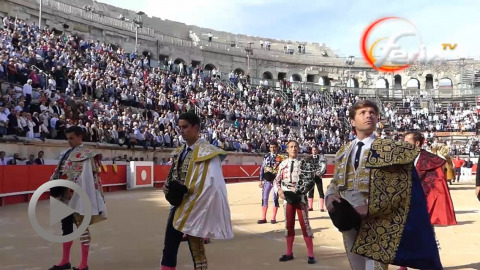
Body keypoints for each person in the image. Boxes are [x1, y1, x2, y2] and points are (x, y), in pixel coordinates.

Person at [325, 100, 442, 270]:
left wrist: (371, 207)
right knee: (356, 265)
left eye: (372, 112)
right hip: (348, 216)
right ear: (352, 121)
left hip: (377, 217)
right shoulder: (343, 151)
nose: (369, 115)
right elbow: (336, 180)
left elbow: (401, 187)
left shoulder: (389, 149)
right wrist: (329, 195)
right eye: (363, 112)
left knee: (376, 267)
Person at [161, 111, 233, 270]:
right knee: (169, 248)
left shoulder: (208, 152)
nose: (181, 130)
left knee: (197, 252)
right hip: (179, 206)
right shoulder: (179, 151)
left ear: (196, 128)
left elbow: (215, 185)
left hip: (197, 208)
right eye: (180, 127)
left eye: (185, 127)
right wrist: (168, 186)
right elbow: (173, 174)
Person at [49, 126, 107, 270]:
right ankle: (65, 261)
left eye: (72, 138)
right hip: (65, 196)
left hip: (79, 196)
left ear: (80, 137)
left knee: (82, 228)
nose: (69, 141)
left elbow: (87, 179)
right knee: (66, 228)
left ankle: (83, 264)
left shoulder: (87, 154)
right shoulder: (66, 153)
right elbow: (59, 172)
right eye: (67, 138)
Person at [274, 140, 316, 264]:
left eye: (295, 147)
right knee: (289, 225)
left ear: (298, 149)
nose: (293, 149)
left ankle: (311, 254)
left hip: (300, 198)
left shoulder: (304, 164)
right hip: (287, 198)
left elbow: (310, 182)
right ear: (287, 150)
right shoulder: (283, 164)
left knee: (305, 225)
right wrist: (280, 192)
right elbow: (276, 181)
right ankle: (289, 253)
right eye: (291, 147)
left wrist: (299, 190)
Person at [404, 131, 457, 226]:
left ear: (417, 143)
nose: (404, 145)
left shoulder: (432, 161)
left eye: (407, 142)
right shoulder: (399, 157)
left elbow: (439, 187)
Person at [258, 141, 285, 224]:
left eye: (274, 147)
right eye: (271, 147)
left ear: (277, 147)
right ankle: (263, 217)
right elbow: (262, 168)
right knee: (264, 198)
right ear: (269, 148)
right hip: (266, 180)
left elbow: (283, 169)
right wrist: (260, 179)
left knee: (275, 198)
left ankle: (273, 218)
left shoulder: (281, 157)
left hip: (276, 181)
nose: (272, 149)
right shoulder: (266, 156)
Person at [307, 145, 327, 211]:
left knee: (320, 191)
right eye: (313, 150)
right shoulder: (309, 158)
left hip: (318, 176)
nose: (314, 151)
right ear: (311, 151)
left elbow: (324, 167)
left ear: (317, 150)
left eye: (315, 150)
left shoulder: (321, 158)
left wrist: (321, 174)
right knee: (310, 191)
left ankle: (321, 207)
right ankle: (310, 206)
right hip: (311, 177)